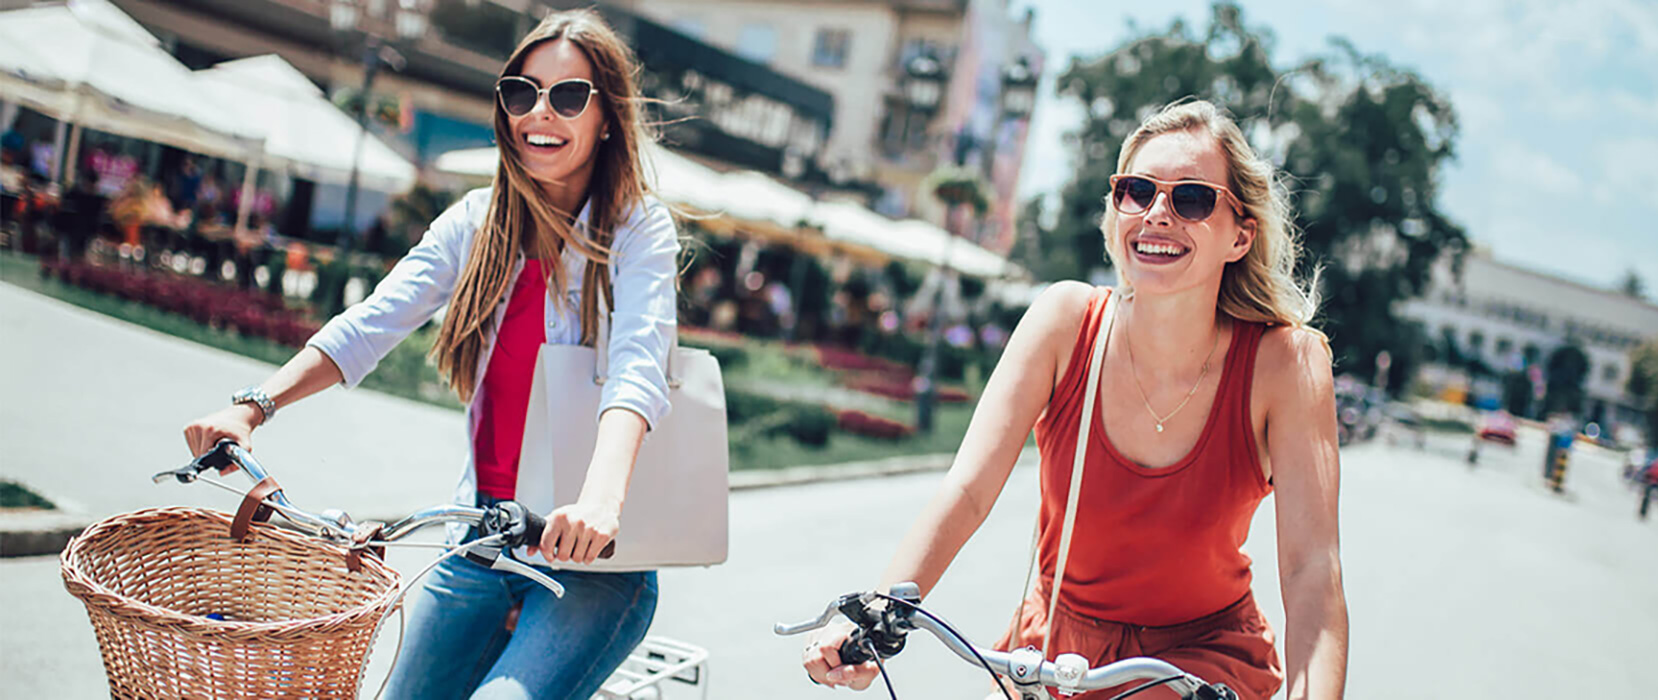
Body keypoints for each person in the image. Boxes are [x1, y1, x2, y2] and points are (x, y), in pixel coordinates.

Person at [179, 10, 680, 699]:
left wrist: (599, 500)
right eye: (521, 91)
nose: (541, 112)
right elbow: (371, 323)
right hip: (480, 541)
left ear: (606, 117)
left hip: (592, 564)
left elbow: (638, 367)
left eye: (569, 96)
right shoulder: (477, 222)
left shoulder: (636, 230)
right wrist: (254, 406)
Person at [801, 99, 1349, 699]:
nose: (1157, 214)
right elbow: (968, 490)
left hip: (1200, 665)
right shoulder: (1066, 321)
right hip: (1053, 652)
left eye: (1191, 198)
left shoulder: (1287, 364)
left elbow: (1310, 573)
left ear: (1241, 235)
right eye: (1137, 191)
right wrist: (878, 615)